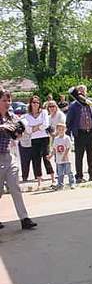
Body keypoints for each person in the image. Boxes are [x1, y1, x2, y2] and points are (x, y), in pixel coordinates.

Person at [0, 88, 37, 230]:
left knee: (15, 187)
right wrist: (2, 127)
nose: (8, 103)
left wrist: (19, 131)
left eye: (9, 100)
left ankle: (24, 219)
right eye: (4, 100)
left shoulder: (12, 116)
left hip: (9, 156)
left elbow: (19, 133)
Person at [66, 85, 92, 183]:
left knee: (91, 155)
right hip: (79, 133)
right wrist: (69, 133)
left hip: (91, 132)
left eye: (83, 91)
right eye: (79, 91)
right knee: (79, 156)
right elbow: (69, 120)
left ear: (86, 92)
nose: (81, 93)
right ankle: (79, 176)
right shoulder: (73, 105)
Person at [25, 95, 55, 189]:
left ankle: (53, 178)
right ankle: (39, 181)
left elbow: (45, 125)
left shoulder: (44, 112)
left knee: (46, 157)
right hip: (34, 139)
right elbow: (28, 129)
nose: (35, 104)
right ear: (30, 104)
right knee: (36, 159)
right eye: (33, 102)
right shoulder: (27, 116)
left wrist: (35, 127)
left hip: (44, 137)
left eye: (37, 102)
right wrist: (38, 126)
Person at [50, 123, 75, 190]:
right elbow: (54, 149)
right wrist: (51, 156)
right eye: (59, 130)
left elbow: (68, 148)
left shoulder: (67, 138)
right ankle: (60, 184)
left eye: (62, 129)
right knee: (60, 173)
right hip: (59, 159)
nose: (61, 131)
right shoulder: (56, 139)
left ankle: (72, 183)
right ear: (57, 130)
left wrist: (64, 156)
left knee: (69, 172)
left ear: (65, 130)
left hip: (67, 159)